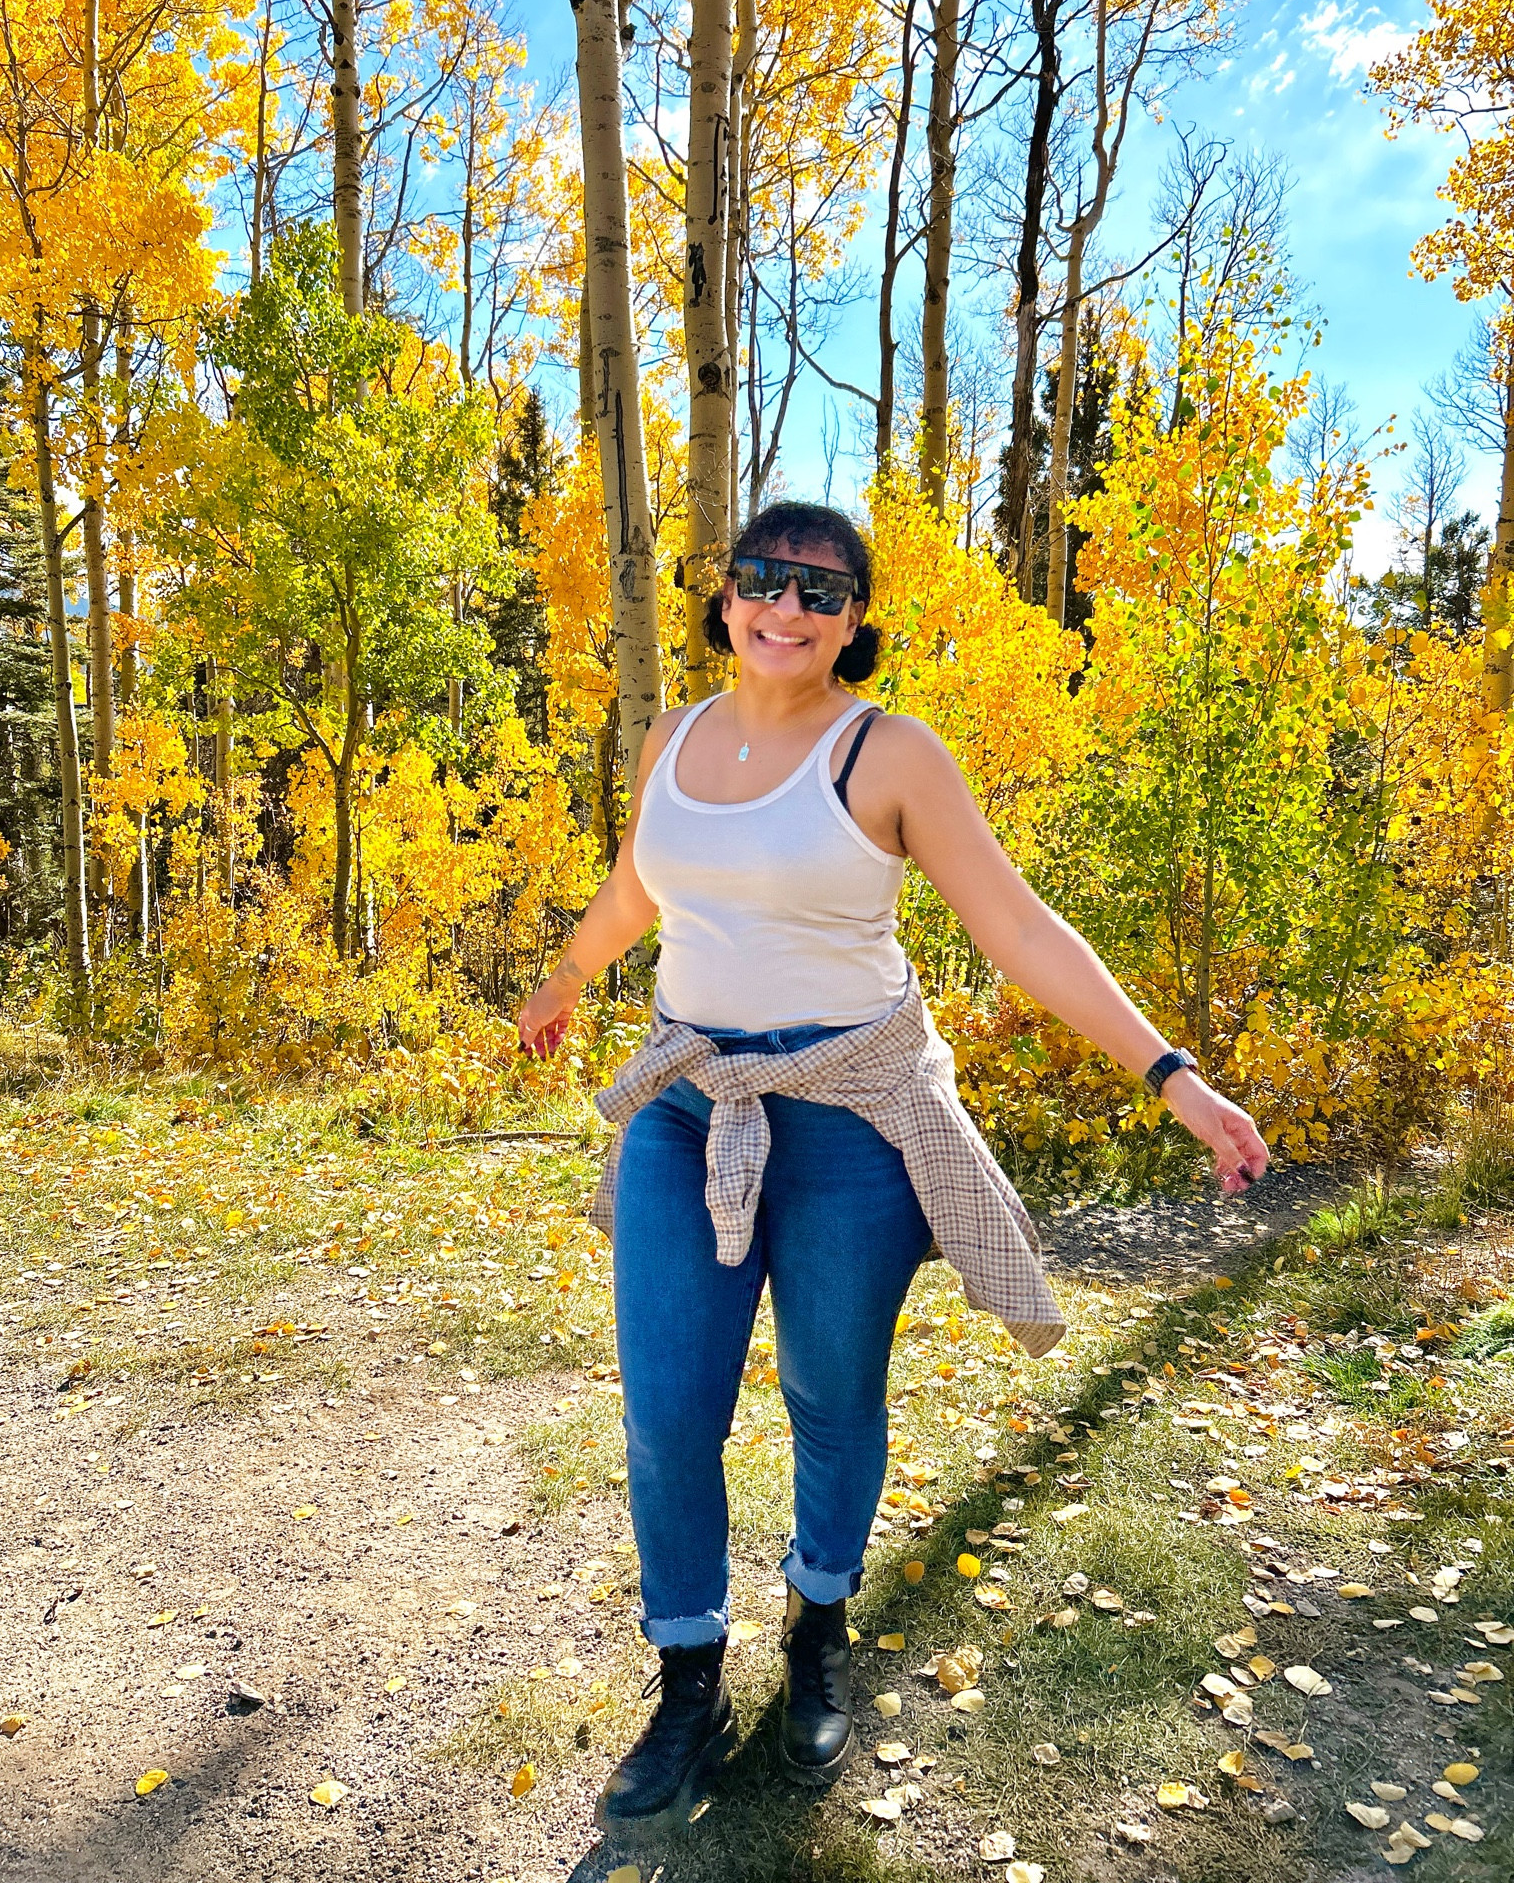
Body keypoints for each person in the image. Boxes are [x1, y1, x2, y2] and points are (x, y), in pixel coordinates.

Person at [517, 500, 1268, 1845]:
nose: (787, 608)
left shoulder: (889, 754)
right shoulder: (671, 738)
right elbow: (643, 888)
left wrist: (1171, 1074)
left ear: (854, 620)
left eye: (822, 591)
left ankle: (815, 1632)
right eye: (765, 578)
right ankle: (688, 1677)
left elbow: (1018, 928)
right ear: (725, 594)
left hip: (851, 1120)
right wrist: (569, 971)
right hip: (687, 1108)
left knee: (830, 1396)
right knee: (668, 1413)